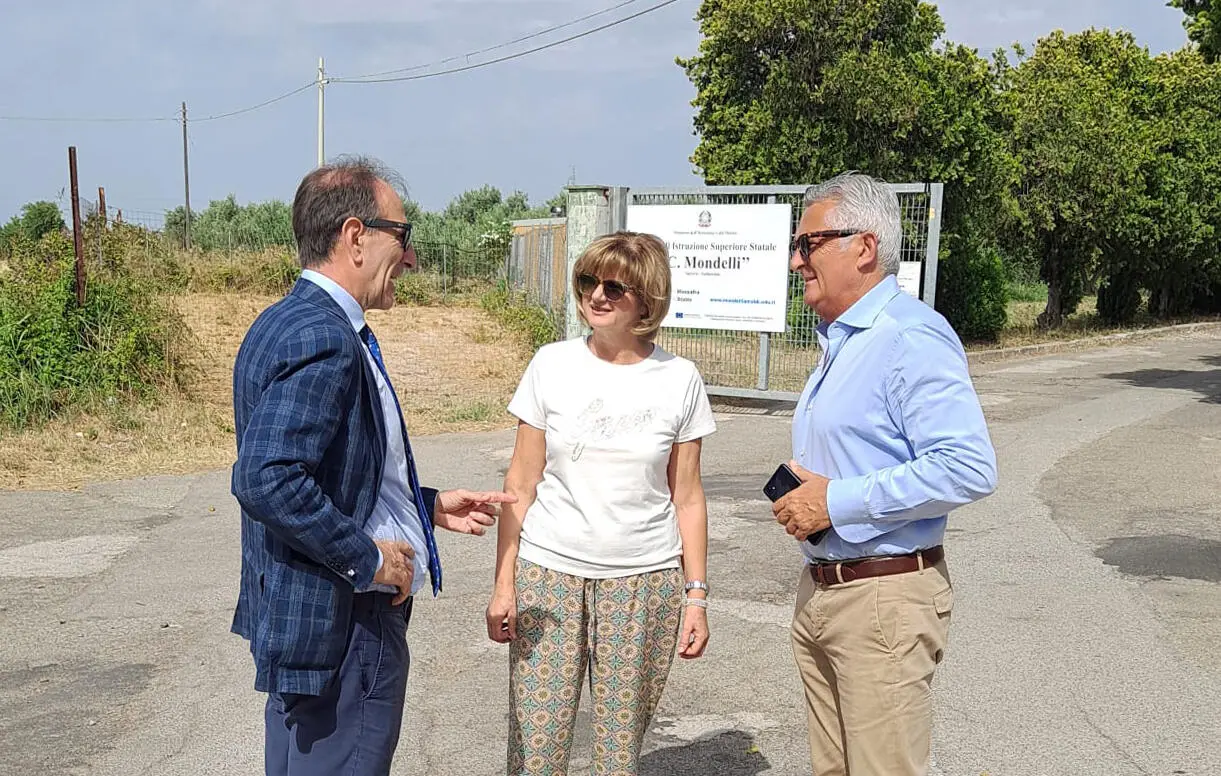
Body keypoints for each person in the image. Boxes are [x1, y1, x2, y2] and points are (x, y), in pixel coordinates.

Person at [230, 156, 515, 776]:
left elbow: (328, 468)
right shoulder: (327, 337)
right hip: (343, 626)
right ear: (356, 237)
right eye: (402, 236)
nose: (409, 258)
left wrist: (425, 504)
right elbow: (266, 478)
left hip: (306, 623)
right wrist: (368, 556)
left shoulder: (283, 321)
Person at [773, 172, 998, 776]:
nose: (796, 262)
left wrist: (836, 502)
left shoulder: (908, 336)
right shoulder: (843, 341)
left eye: (808, 244)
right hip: (826, 590)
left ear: (864, 247)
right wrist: (809, 490)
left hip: (882, 599)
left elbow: (968, 467)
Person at [485, 231, 716, 775]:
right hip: (549, 576)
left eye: (615, 287)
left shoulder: (679, 379)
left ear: (647, 299)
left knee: (618, 756)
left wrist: (697, 598)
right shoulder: (550, 364)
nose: (596, 295)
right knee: (535, 752)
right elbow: (521, 482)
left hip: (642, 584)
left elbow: (687, 497)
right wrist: (503, 583)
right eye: (589, 281)